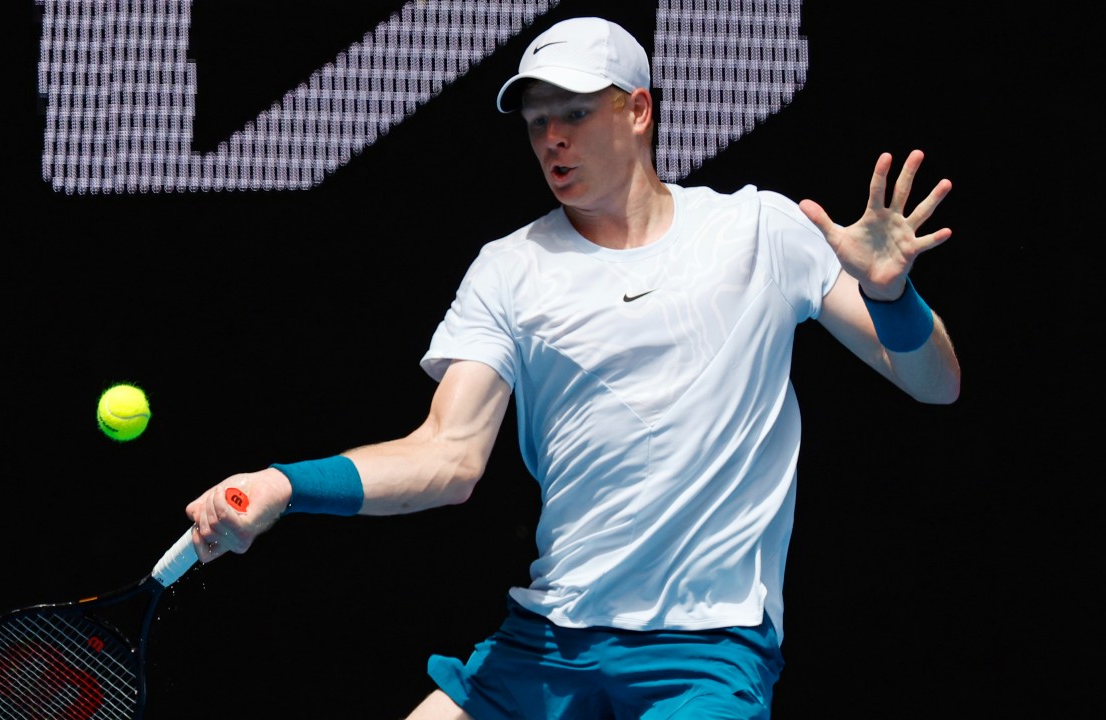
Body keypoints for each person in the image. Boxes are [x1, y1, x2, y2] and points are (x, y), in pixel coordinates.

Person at [184, 16, 960, 720]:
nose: (552, 137)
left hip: (705, 648)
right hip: (549, 640)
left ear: (638, 110)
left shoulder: (760, 229)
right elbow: (446, 457)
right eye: (536, 121)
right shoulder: (509, 268)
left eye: (576, 113)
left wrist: (890, 296)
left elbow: (934, 383)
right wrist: (284, 484)